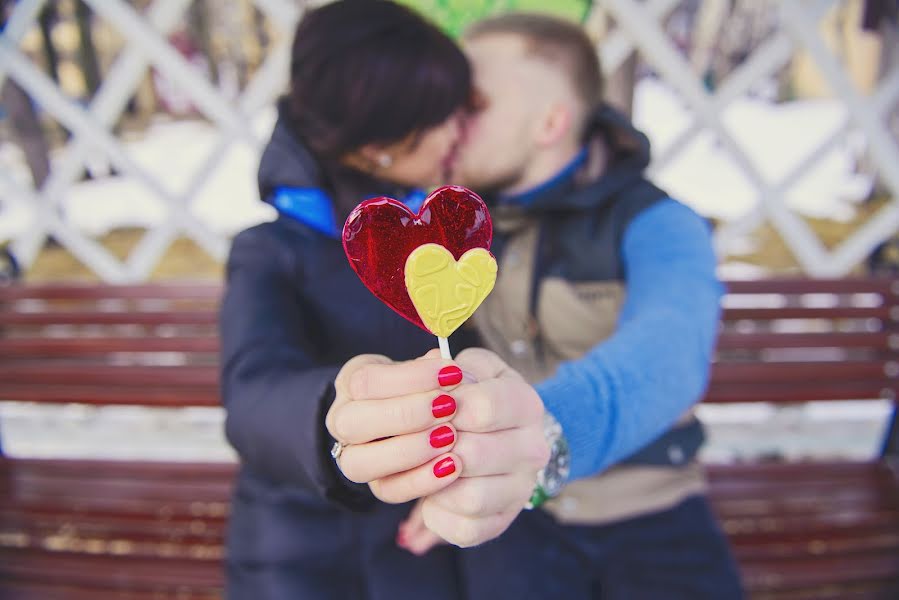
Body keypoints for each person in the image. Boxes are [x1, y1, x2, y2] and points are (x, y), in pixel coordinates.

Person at [338, 12, 746, 599]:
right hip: (522, 520)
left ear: (550, 122)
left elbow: (671, 349)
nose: (446, 124)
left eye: (470, 105)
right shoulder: (456, 223)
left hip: (651, 508)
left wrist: (542, 436)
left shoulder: (657, 223)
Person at [220, 2, 546, 598]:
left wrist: (466, 470)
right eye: (445, 113)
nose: (459, 131)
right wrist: (338, 412)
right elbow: (250, 396)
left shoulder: (455, 230)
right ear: (382, 140)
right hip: (301, 549)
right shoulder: (270, 250)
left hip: (423, 540)